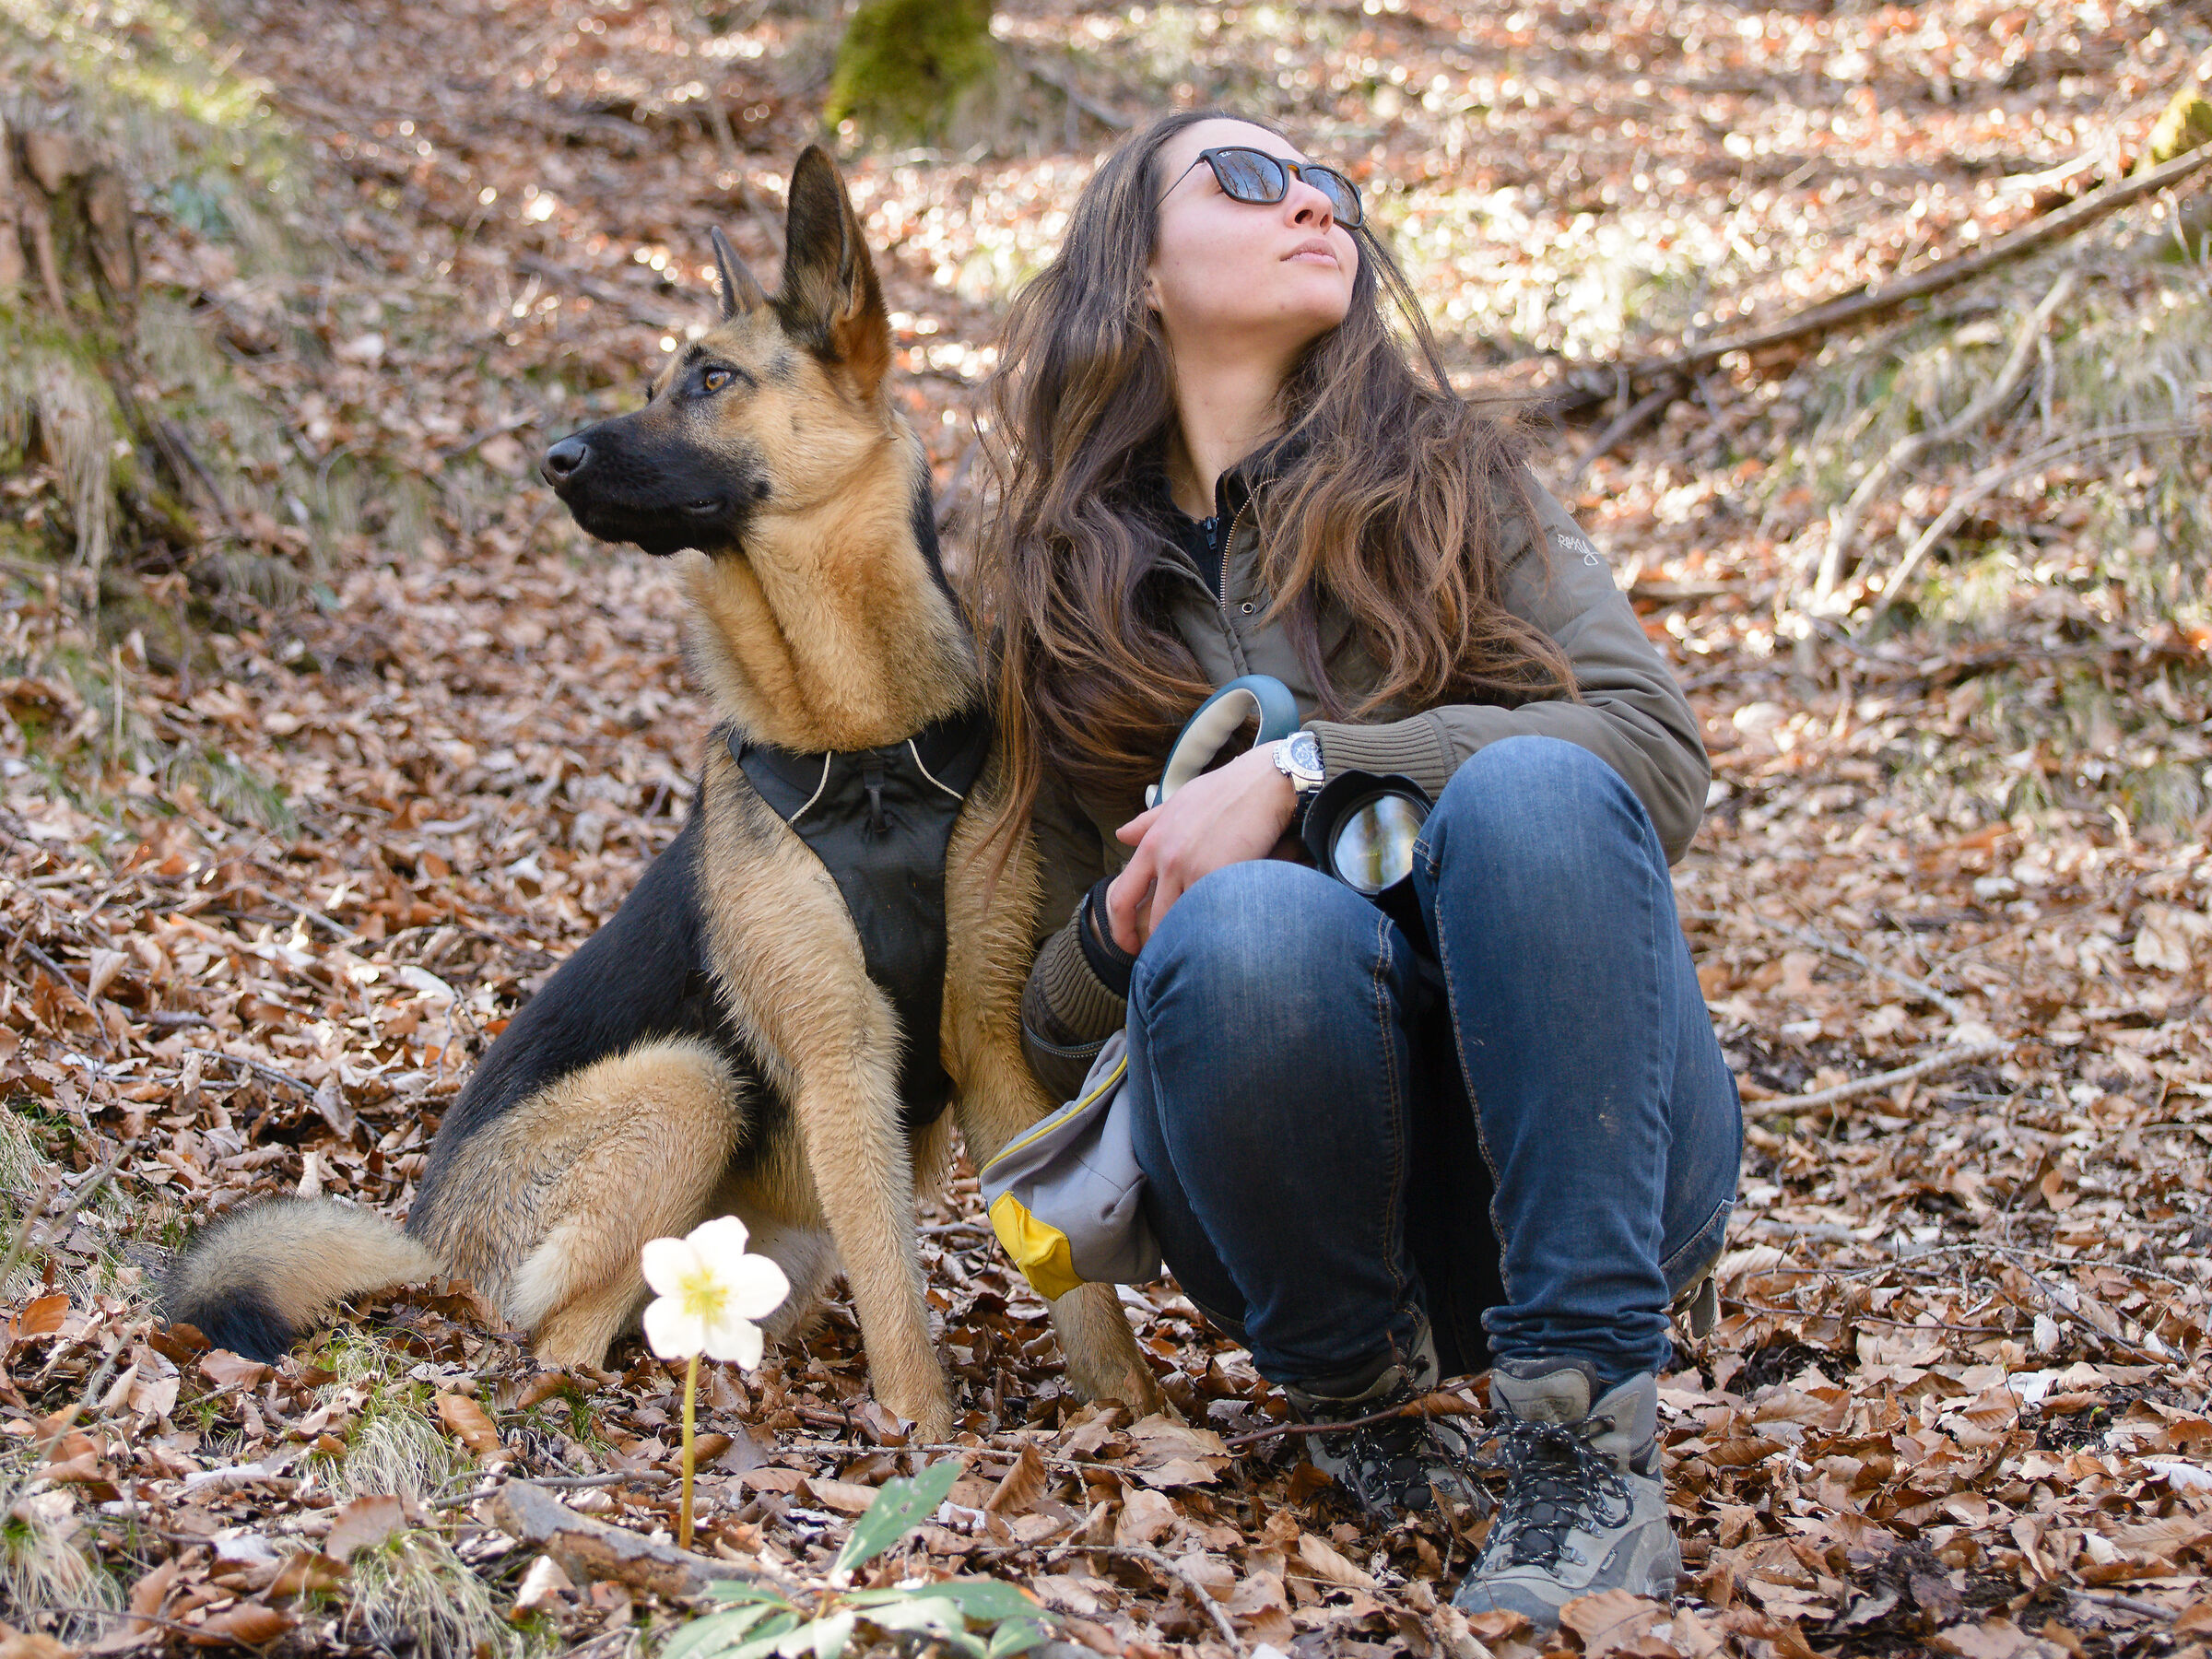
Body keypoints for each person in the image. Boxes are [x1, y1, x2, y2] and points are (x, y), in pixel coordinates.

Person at [968, 110, 1743, 1626]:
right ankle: (1362, 1413)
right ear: (1135, 269)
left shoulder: (1450, 474)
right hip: (1288, 1190)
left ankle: (1589, 1450)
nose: (1314, 202)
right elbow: (1044, 1022)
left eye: (1332, 185)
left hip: (1591, 1157)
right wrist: (1130, 928)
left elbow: (1652, 750)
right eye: (1251, 179)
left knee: (1532, 782)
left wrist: (1308, 765)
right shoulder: (1058, 593)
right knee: (1243, 925)